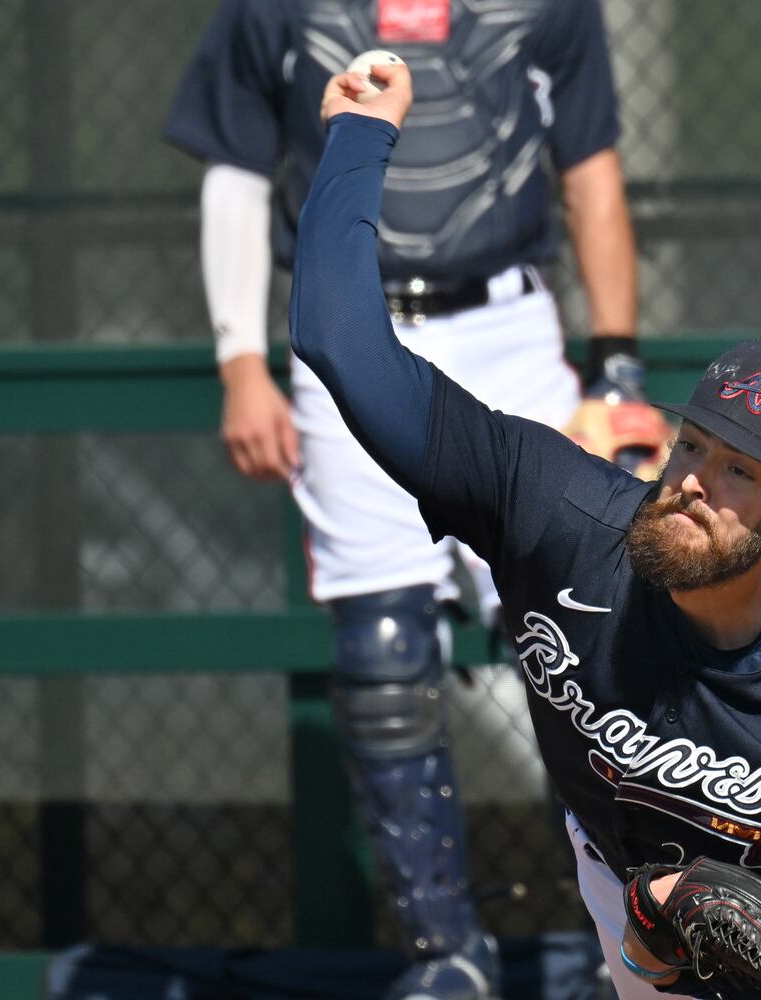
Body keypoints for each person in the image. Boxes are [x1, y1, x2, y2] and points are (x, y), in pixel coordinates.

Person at [288, 61, 761, 1000]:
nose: (698, 482)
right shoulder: (555, 512)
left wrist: (725, 949)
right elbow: (339, 339)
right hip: (614, 869)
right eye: (694, 446)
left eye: (742, 470)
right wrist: (358, 136)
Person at [162, 2, 642, 996]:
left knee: (593, 627)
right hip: (347, 323)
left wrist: (617, 371)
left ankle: (639, 940)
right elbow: (238, 177)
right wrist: (238, 360)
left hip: (512, 323)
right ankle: (446, 958)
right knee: (382, 649)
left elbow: (590, 170)